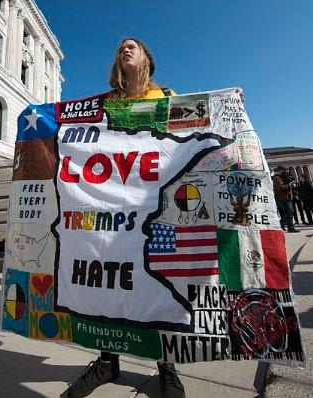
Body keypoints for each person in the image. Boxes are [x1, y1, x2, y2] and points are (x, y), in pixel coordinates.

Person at [68, 38, 185, 398]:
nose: (125, 48)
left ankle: (167, 366)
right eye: (121, 46)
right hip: (111, 205)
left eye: (132, 45)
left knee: (159, 275)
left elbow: (194, 127)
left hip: (155, 201)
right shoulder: (105, 103)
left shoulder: (165, 94)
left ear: (147, 57)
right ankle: (107, 360)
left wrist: (229, 105)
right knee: (109, 274)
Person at [272, 166, 299, 233]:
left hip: (287, 197)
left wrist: (292, 184)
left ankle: (282, 225)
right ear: (279, 170)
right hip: (283, 197)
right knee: (288, 212)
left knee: (288, 213)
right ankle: (290, 227)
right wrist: (289, 185)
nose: (285, 171)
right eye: (284, 170)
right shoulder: (276, 177)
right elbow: (280, 187)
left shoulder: (283, 177)